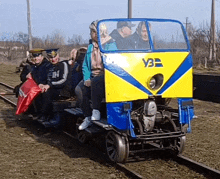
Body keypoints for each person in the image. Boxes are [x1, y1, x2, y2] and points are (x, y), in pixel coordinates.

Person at [78, 20, 105, 130]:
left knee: (96, 82)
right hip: (93, 75)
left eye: (96, 32)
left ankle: (96, 111)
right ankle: (88, 116)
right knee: (79, 89)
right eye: (92, 32)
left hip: (106, 76)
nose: (94, 34)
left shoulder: (110, 45)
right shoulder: (90, 47)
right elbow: (85, 66)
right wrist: (87, 78)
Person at [37, 48, 71, 124]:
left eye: (54, 57)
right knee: (40, 92)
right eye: (50, 58)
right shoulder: (49, 67)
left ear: (58, 56)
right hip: (52, 88)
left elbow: (64, 80)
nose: (53, 59)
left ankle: (46, 115)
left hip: (63, 89)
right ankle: (39, 113)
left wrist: (49, 85)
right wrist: (42, 84)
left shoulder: (63, 64)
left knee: (47, 93)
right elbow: (46, 78)